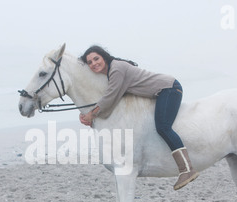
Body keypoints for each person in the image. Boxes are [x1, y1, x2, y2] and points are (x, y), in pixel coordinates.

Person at [79, 45, 198, 190]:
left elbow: (110, 98)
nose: (93, 64)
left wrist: (91, 114)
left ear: (104, 57)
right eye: (90, 62)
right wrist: (89, 116)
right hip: (161, 92)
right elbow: (110, 101)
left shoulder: (116, 69)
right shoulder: (110, 73)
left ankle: (187, 169)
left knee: (163, 127)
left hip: (169, 88)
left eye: (96, 59)